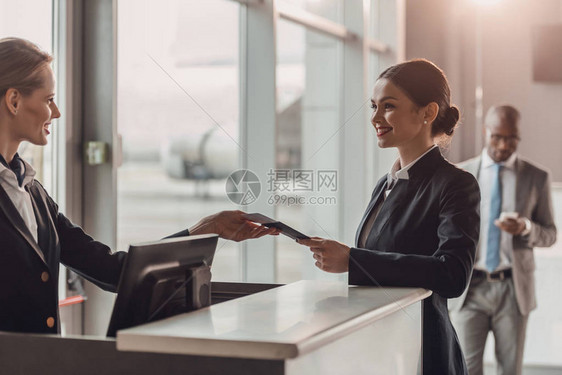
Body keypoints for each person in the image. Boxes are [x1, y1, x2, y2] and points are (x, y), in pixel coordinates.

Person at [0, 37, 278, 334]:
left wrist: (206, 229)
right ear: (14, 101)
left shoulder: (33, 193)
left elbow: (114, 271)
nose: (55, 113)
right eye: (48, 99)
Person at [298, 59, 480, 374]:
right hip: (381, 349)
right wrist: (344, 256)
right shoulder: (386, 184)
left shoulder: (455, 184)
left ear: (427, 112)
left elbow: (453, 274)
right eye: (374, 106)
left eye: (389, 106)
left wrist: (353, 260)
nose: (375, 118)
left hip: (423, 352)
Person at [450, 105, 556, 375]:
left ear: (519, 137)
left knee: (509, 369)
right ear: (486, 132)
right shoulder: (461, 175)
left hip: (513, 289)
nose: (503, 144)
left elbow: (550, 234)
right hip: (469, 288)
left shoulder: (537, 177)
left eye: (511, 138)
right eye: (497, 136)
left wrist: (525, 228)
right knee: (466, 368)